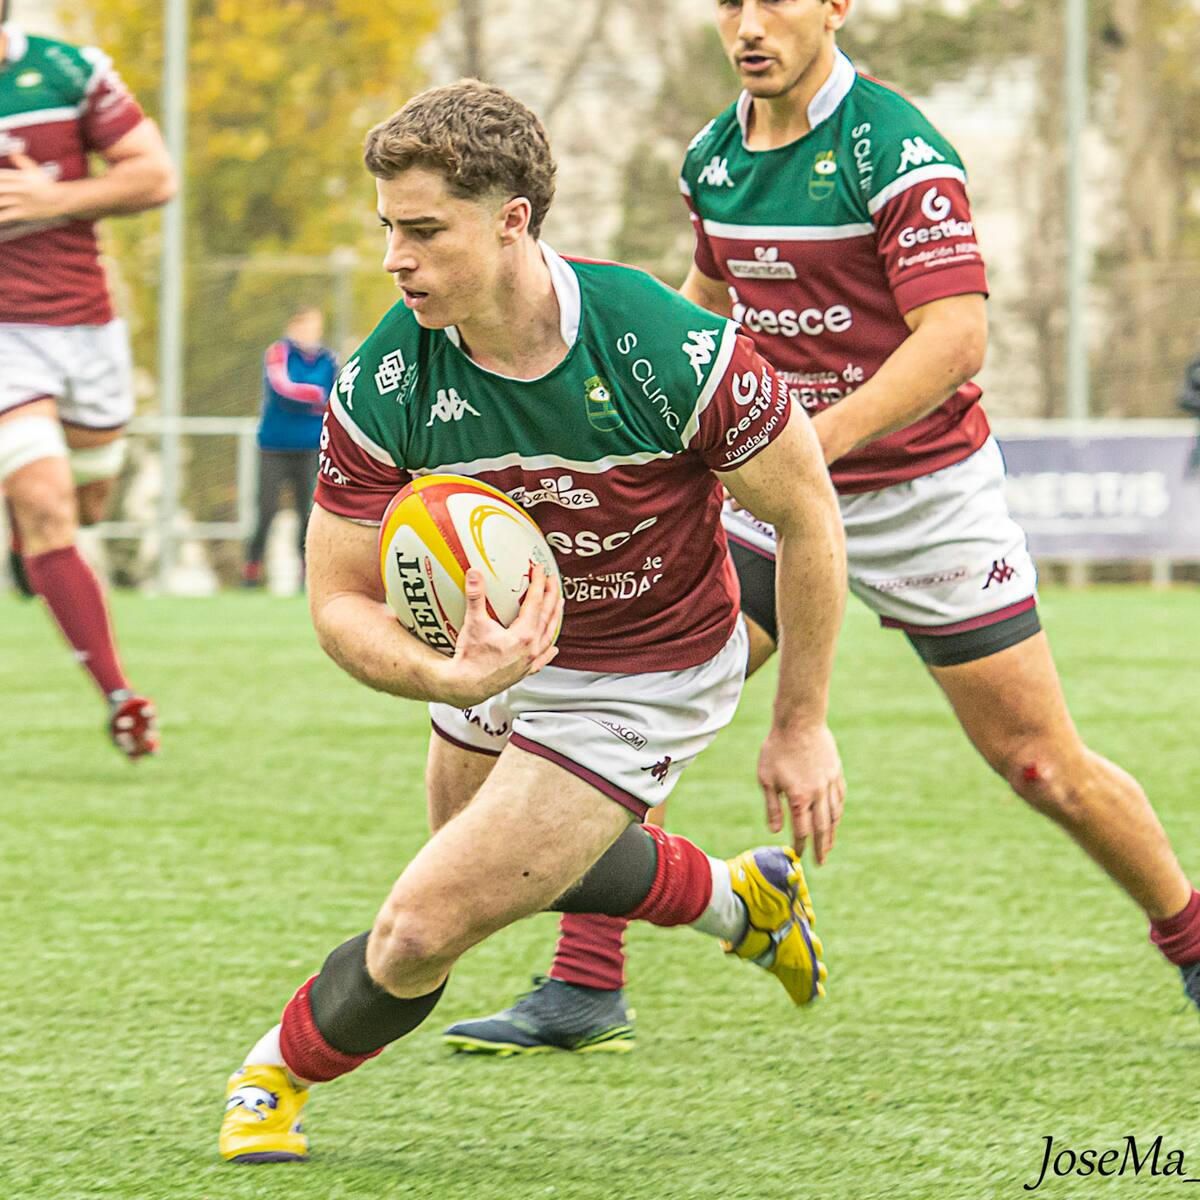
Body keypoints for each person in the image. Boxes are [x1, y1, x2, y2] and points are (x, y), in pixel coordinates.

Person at [442, 0, 1200, 1056]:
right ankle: (583, 984)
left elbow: (960, 337)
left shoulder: (895, 149)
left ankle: (1195, 944)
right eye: (731, 3)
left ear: (838, 6)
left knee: (1040, 764)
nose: (751, 24)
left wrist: (811, 445)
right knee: (628, 701)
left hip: (927, 500)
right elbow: (699, 312)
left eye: (778, 0)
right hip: (771, 506)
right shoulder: (713, 155)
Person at [217, 80, 847, 1164]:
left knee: (424, 925)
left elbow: (808, 518)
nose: (393, 261)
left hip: (648, 671)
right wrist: (449, 677)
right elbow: (338, 602)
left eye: (423, 231)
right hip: (495, 653)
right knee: (490, 869)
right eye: (387, 231)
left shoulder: (664, 348)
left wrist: (800, 721)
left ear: (512, 221)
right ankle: (742, 906)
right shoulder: (383, 382)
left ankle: (272, 1076)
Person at [0, 11, 173, 757]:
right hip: (7, 341)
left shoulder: (71, 70)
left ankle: (32, 548)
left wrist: (51, 201)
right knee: (46, 508)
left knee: (83, 506)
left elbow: (154, 174)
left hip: (87, 331)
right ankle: (121, 695)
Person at [241, 306, 338, 588]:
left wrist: (317, 399)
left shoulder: (328, 359)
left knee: (308, 511)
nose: (311, 332)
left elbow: (336, 393)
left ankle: (306, 573)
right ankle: (251, 570)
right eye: (305, 326)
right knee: (267, 508)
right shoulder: (279, 353)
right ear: (293, 327)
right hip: (275, 446)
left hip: (311, 447)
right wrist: (316, 396)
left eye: (315, 326)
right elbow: (282, 388)